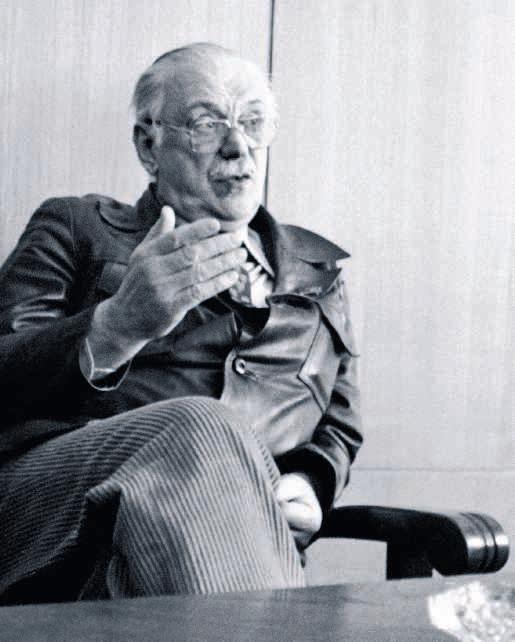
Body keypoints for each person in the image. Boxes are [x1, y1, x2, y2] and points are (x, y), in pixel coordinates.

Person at [0, 42, 362, 603]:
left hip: (226, 551)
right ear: (149, 145)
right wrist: (114, 327)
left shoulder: (318, 272)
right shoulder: (76, 227)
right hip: (60, 519)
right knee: (198, 425)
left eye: (253, 122)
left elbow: (339, 426)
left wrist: (310, 484)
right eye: (207, 124)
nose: (238, 146)